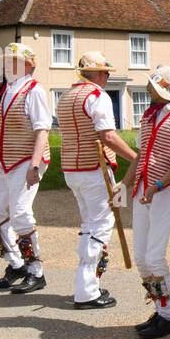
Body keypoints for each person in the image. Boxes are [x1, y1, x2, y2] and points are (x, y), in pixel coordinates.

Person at [57, 52, 137, 310]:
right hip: (94, 168)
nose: (108, 76)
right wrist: (135, 157)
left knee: (89, 225)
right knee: (101, 226)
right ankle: (87, 290)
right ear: (98, 74)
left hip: (72, 168)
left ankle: (86, 284)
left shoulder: (66, 96)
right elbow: (108, 136)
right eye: (106, 72)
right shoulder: (96, 96)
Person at [120, 65, 170, 339]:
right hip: (143, 188)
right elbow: (140, 155)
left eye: (152, 85)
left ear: (164, 90)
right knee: (141, 257)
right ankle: (160, 310)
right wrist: (124, 184)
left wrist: (158, 185)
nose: (148, 88)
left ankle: (168, 316)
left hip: (165, 189)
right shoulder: (149, 116)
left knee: (154, 256)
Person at [0, 44, 52, 294]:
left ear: (28, 65)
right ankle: (17, 263)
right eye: (6, 61)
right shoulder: (9, 89)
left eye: (14, 61)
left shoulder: (34, 90)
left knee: (21, 213)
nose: (7, 65)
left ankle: (36, 271)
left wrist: (34, 165)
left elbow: (42, 129)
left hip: (26, 159)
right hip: (7, 161)